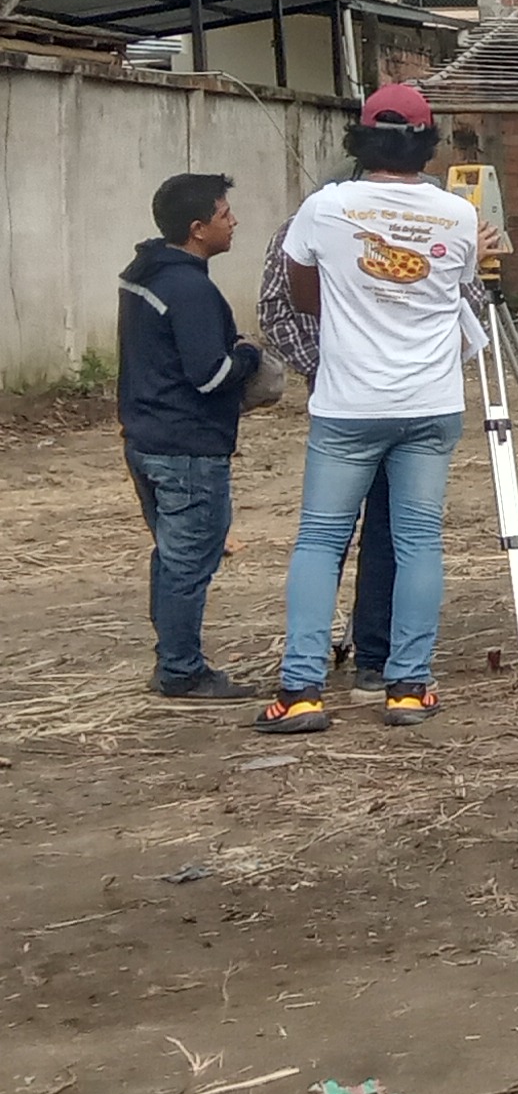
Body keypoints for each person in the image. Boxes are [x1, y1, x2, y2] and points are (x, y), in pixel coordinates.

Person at [258, 83, 487, 736]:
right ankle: (408, 685)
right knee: (418, 542)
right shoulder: (459, 215)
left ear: (359, 140)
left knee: (320, 540)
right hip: (431, 402)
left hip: (349, 404)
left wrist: (352, 298)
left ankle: (302, 691)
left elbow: (302, 294)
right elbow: (462, 290)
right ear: (427, 144)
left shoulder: (326, 207)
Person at [117, 172, 265, 700]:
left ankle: (173, 659)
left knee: (171, 555)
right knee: (189, 562)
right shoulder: (190, 288)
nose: (234, 222)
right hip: (187, 447)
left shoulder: (145, 272)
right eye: (225, 214)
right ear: (198, 228)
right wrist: (248, 357)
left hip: (146, 438)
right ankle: (181, 669)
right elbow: (210, 375)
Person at [259, 212, 399, 695]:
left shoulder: (433, 219)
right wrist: (327, 366)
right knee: (331, 535)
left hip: (401, 401)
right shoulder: (310, 221)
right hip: (351, 402)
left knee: (391, 532)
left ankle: (370, 658)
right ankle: (310, 668)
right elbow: (276, 309)